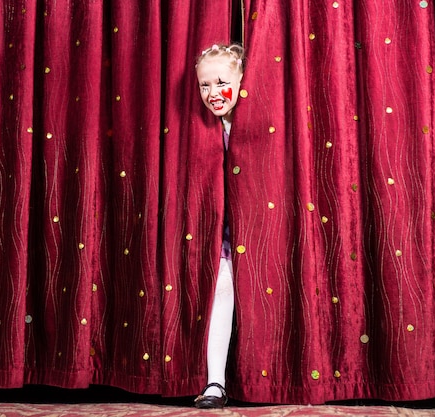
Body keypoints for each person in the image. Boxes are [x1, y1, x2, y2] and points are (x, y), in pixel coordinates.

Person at [192, 43, 245, 409]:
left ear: (241, 81)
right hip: (220, 232)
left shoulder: (251, 124)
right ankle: (215, 382)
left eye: (222, 83)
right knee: (222, 289)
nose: (213, 94)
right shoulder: (199, 131)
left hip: (252, 224)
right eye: (204, 85)